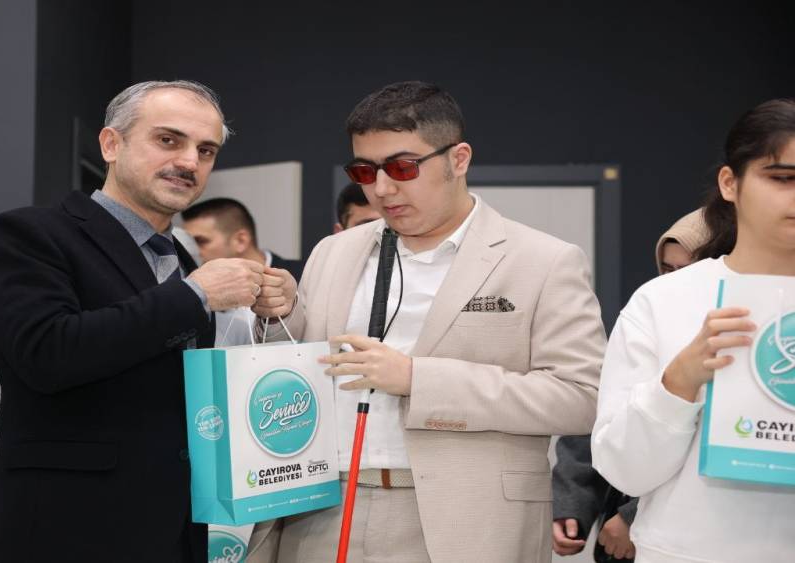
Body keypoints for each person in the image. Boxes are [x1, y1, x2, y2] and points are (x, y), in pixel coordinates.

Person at [255, 81, 607, 562]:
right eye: (364, 171)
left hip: (465, 523)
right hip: (322, 512)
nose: (382, 189)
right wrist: (279, 317)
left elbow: (583, 398)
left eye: (403, 167)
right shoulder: (333, 252)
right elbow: (299, 374)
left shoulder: (544, 261)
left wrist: (418, 380)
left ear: (458, 159)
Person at [0, 81, 289, 563]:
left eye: (205, 150)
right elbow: (46, 354)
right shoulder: (30, 234)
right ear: (111, 144)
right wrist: (194, 296)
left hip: (172, 531)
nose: (189, 162)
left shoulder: (183, 264)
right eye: (168, 140)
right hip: (62, 529)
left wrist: (273, 315)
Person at [591, 98, 795, 562]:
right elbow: (624, 471)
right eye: (782, 178)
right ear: (730, 183)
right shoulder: (664, 301)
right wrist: (678, 381)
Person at [552, 208, 711, 562]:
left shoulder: (737, 338)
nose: (672, 282)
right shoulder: (645, 321)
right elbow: (598, 426)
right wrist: (572, 506)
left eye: (687, 271)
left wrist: (631, 517)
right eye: (667, 270)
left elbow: (702, 450)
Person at [182, 197, 305, 280]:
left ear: (241, 241)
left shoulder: (304, 278)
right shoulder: (196, 287)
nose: (191, 251)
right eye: (189, 242)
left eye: (200, 241)